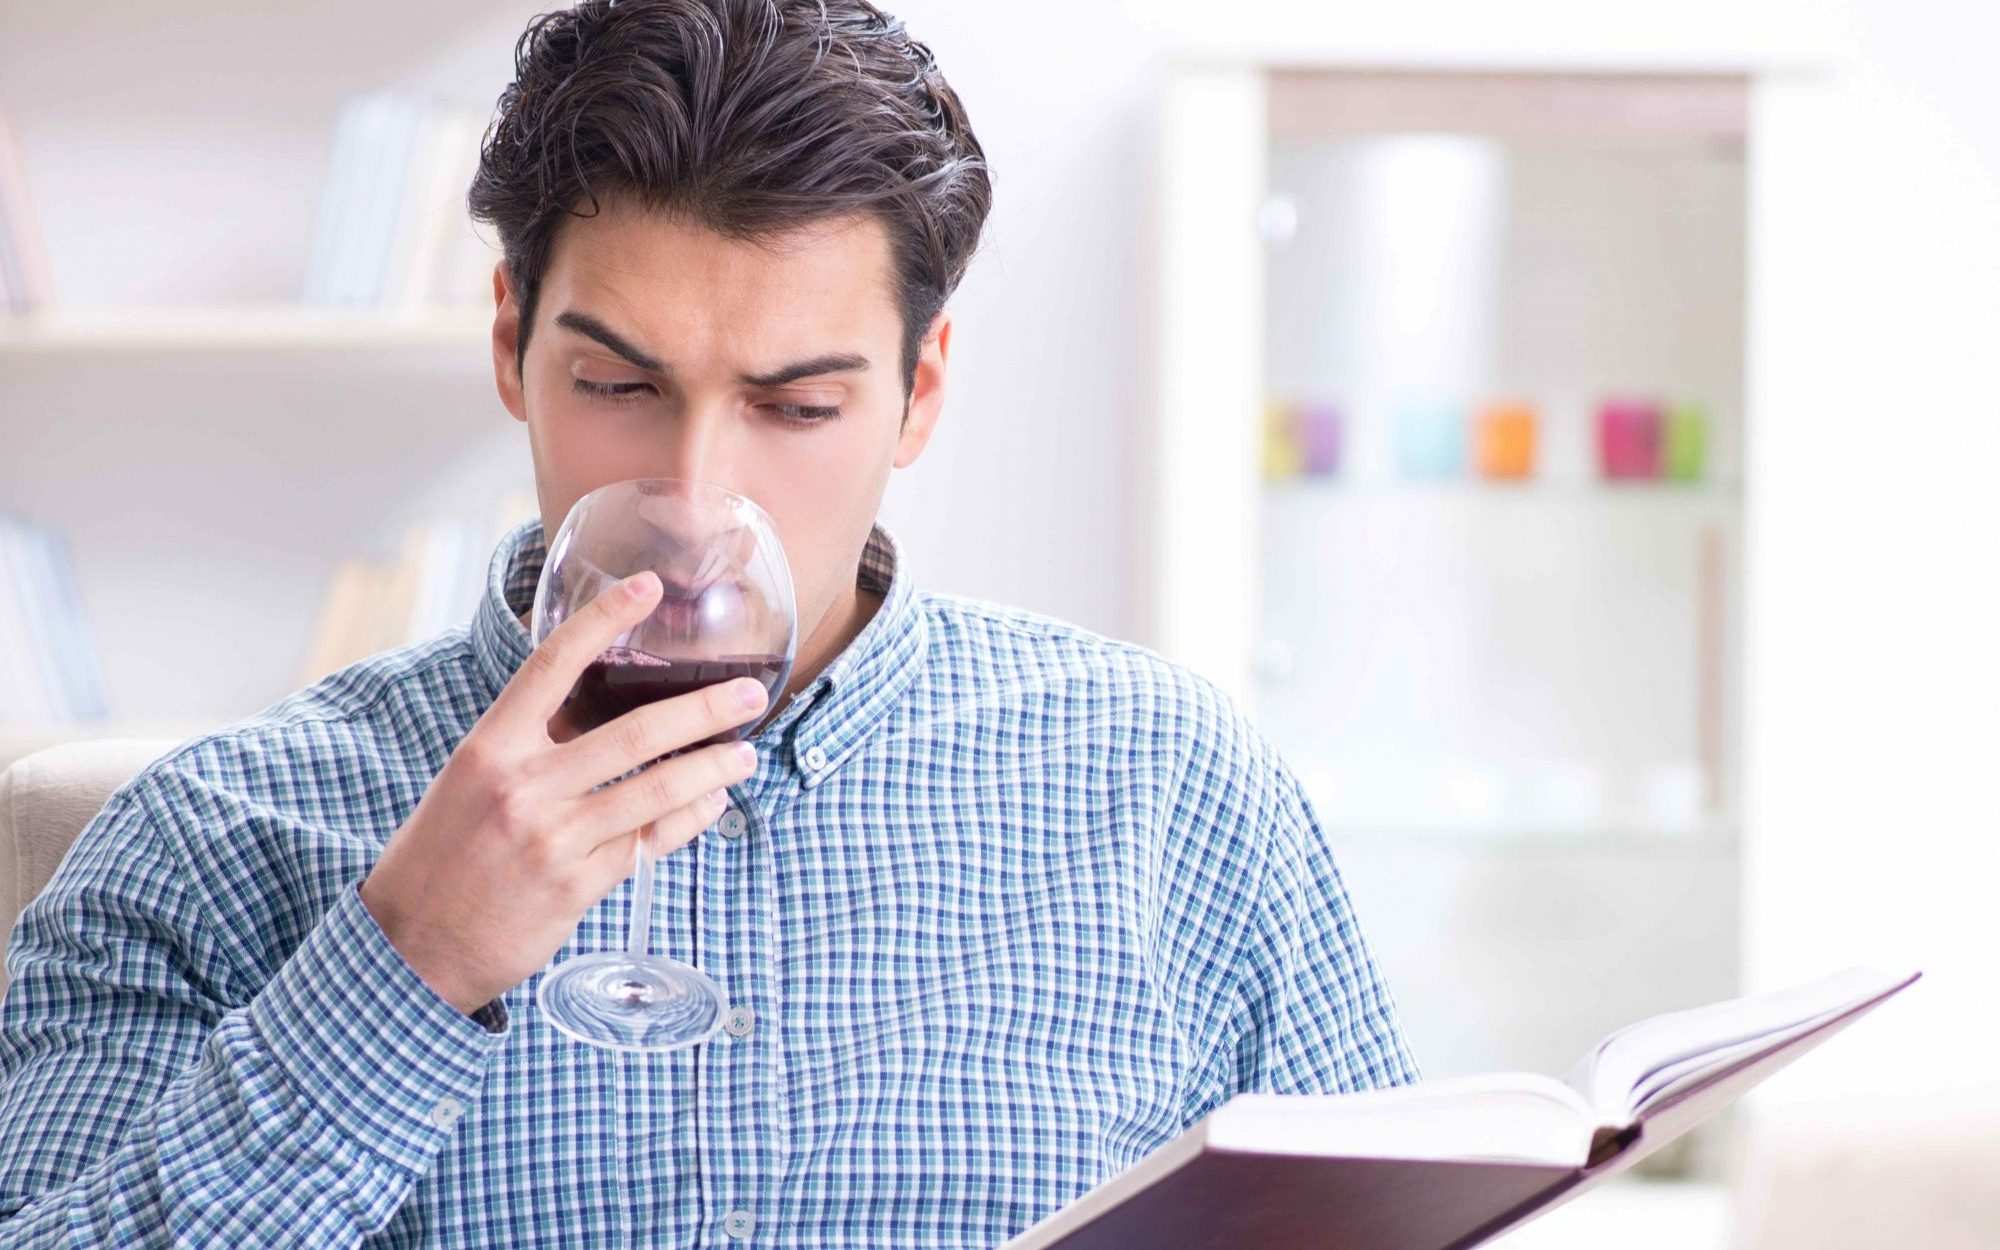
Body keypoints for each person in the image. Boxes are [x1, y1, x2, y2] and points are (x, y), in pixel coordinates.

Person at [0, 1, 1418, 1245]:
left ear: (920, 391)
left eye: (797, 406)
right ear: (510, 342)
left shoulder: (1169, 788)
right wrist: (407, 960)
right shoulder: (214, 833)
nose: (693, 497)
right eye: (620, 386)